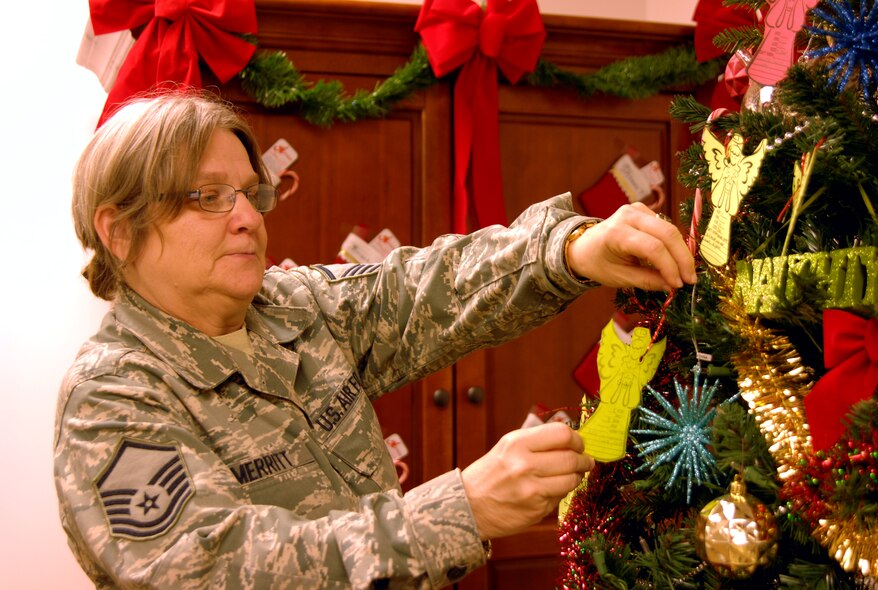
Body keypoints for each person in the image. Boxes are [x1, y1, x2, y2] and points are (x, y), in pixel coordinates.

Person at [54, 91, 696, 589]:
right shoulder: (113, 399)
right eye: (208, 198)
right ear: (119, 231)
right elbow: (207, 569)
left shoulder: (293, 307)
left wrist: (570, 248)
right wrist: (462, 509)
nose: (248, 218)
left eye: (250, 193)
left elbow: (422, 288)